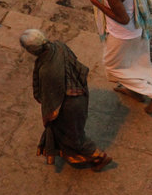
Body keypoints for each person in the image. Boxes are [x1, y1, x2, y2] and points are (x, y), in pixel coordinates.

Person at [19, 29, 112, 172]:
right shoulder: (59, 46)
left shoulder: (46, 70)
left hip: (68, 106)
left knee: (73, 136)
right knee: (74, 132)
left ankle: (99, 156)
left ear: (32, 50)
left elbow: (47, 97)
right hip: (79, 93)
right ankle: (77, 155)